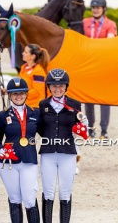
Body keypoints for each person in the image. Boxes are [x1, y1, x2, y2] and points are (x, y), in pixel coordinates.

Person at [38, 69, 88, 223]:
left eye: (61, 85)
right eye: (54, 85)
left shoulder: (75, 104)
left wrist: (81, 128)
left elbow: (81, 126)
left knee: (65, 192)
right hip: (48, 153)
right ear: (49, 87)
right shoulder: (43, 104)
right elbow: (40, 128)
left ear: (66, 86)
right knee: (48, 192)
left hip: (68, 153)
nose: (57, 88)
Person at [0, 77, 41, 223]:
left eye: (21, 93)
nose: (18, 96)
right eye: (15, 93)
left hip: (29, 160)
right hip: (9, 162)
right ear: (9, 95)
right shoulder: (3, 115)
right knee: (14, 199)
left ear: (26, 94)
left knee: (29, 199)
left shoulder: (36, 113)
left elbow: (48, 132)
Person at [83, 0, 117, 139]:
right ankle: (90, 128)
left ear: (104, 9)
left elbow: (109, 45)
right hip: (88, 66)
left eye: (98, 7)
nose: (95, 10)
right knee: (88, 99)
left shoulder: (110, 24)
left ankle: (104, 130)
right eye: (93, 8)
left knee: (104, 99)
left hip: (103, 65)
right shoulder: (84, 23)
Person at [19, 43, 50, 109]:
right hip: (23, 105)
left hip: (34, 107)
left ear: (33, 56)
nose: (23, 53)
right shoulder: (23, 67)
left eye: (26, 52)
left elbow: (36, 92)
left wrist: (19, 94)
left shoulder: (38, 71)